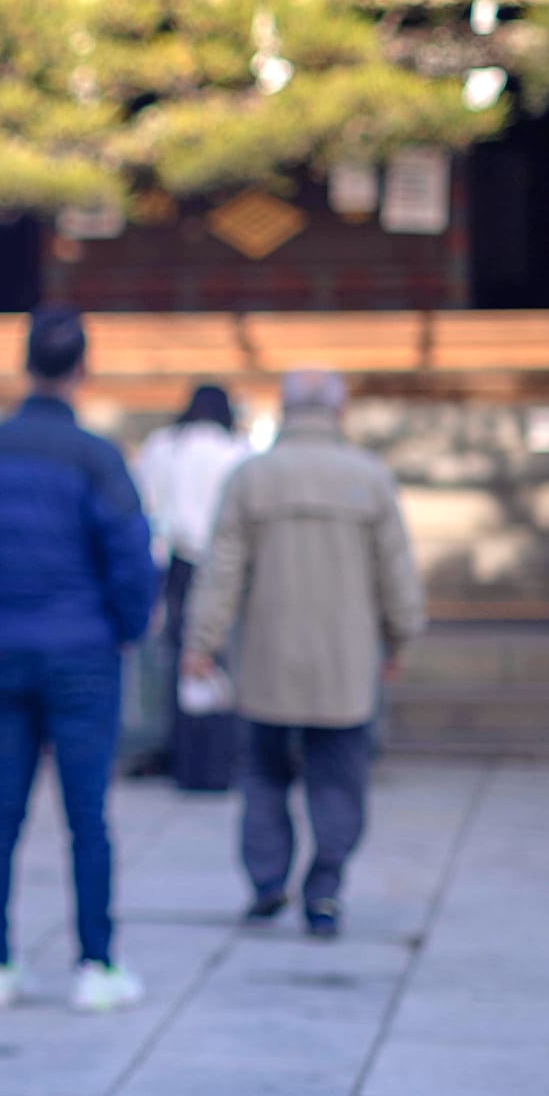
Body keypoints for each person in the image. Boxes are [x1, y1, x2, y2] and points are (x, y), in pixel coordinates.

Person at [0, 302, 157, 1013]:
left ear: (26, 362)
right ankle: (95, 964)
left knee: (2, 809)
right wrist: (128, 628)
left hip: (6, 647)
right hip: (84, 650)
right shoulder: (97, 456)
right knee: (87, 814)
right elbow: (132, 557)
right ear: (83, 368)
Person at [182, 367, 425, 938]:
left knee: (265, 775)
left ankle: (268, 883)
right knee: (339, 777)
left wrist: (202, 641)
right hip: (346, 660)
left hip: (268, 656)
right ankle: (325, 890)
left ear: (285, 411)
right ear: (339, 413)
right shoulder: (368, 478)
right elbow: (397, 572)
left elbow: (221, 571)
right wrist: (401, 636)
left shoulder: (252, 477)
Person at [138, 383, 252, 791]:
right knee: (221, 664)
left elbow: (146, 508)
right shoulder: (237, 451)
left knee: (182, 664)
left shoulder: (163, 447)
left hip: (176, 566)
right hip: (224, 567)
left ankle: (186, 762)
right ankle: (221, 764)